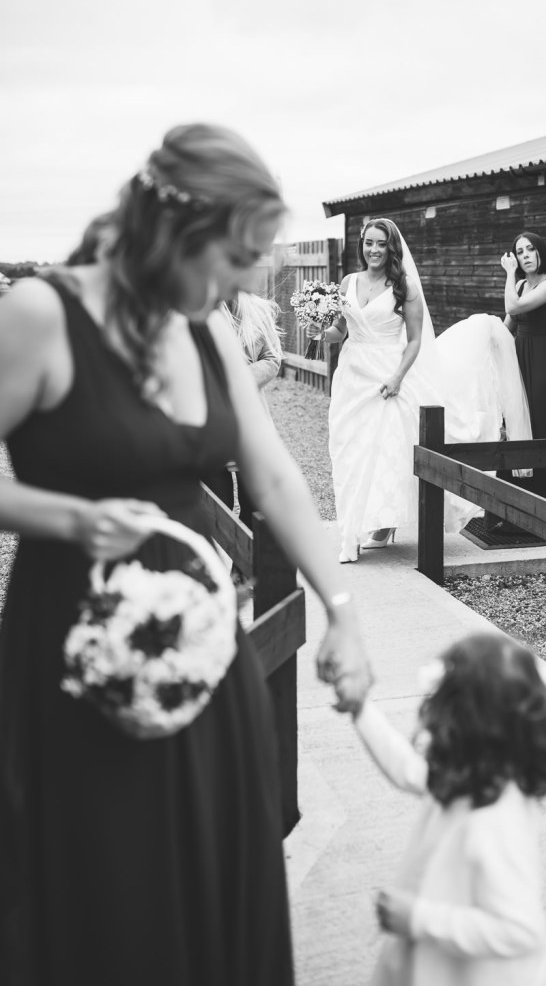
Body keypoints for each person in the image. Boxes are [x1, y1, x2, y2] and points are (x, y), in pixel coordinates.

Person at [0, 123, 371, 986]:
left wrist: (343, 611)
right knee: (110, 881)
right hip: (77, 646)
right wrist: (65, 516)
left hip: (203, 643)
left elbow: (273, 477)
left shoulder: (204, 331)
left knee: (214, 862)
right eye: (234, 258)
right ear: (177, 230)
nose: (242, 282)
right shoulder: (42, 315)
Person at [351, 630, 546, 985]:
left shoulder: (495, 821)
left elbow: (520, 930)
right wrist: (360, 710)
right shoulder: (468, 778)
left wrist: (418, 918)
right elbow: (406, 769)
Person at [308, 218, 531, 564]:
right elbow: (341, 330)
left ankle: (373, 527)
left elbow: (414, 341)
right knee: (349, 450)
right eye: (369, 243)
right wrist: (319, 333)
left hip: (389, 377)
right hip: (352, 377)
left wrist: (398, 377)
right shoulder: (349, 282)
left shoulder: (405, 287)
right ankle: (353, 526)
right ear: (361, 245)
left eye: (381, 244)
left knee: (383, 451)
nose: (374, 250)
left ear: (391, 248)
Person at [491, 232, 546, 532]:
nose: (525, 255)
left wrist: (509, 273)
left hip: (544, 361)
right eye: (519, 252)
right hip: (519, 360)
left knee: (542, 422)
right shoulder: (519, 286)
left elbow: (514, 308)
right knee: (516, 427)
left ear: (541, 252)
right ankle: (515, 511)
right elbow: (508, 325)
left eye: (530, 249)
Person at [204, 291, 282, 528]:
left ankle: (251, 553)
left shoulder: (258, 311)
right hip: (210, 425)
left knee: (257, 512)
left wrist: (235, 381)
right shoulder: (193, 310)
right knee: (215, 512)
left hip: (251, 421)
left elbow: (272, 359)